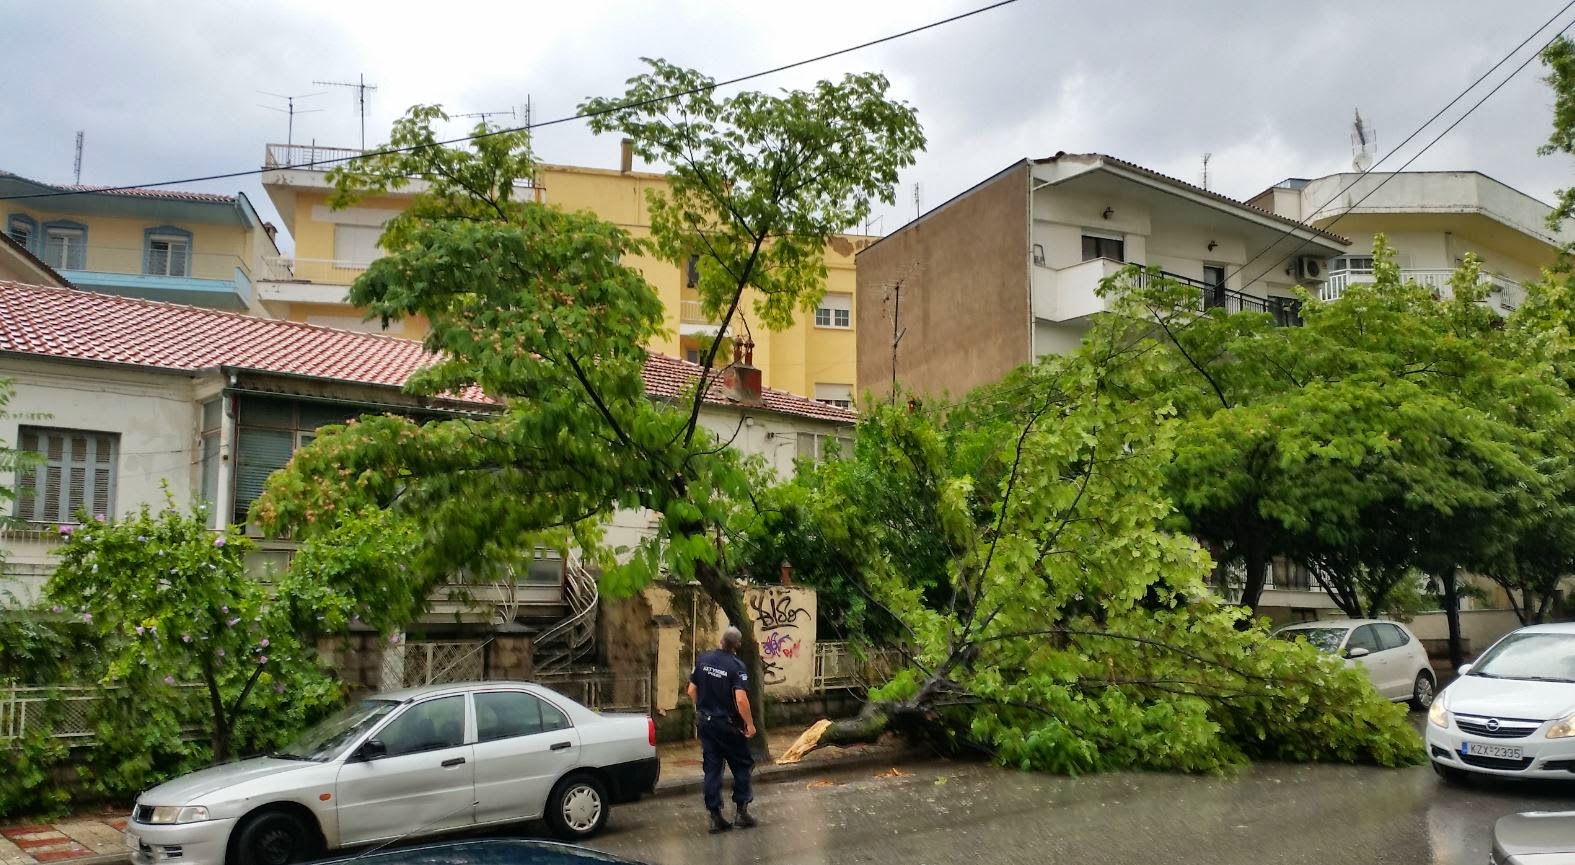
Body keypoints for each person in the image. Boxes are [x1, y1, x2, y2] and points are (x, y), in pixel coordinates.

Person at [686, 625, 758, 833]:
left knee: (712, 768)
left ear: (721, 641)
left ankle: (715, 816)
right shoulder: (737, 666)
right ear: (737, 645)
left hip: (707, 723)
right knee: (743, 765)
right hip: (728, 725)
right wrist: (750, 725)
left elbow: (691, 690)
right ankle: (741, 812)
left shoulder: (703, 660)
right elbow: (741, 699)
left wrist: (703, 708)